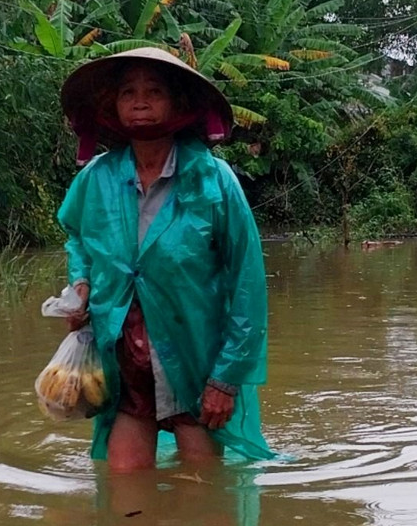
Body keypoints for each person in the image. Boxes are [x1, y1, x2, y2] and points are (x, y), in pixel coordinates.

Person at [55, 47, 272, 472]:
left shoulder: (214, 180)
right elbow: (77, 236)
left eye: (154, 91)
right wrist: (81, 284)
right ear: (113, 106)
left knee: (205, 491)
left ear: (176, 103)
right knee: (124, 488)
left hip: (195, 357)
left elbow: (247, 284)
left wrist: (225, 379)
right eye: (128, 92)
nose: (140, 101)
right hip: (125, 359)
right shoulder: (96, 178)